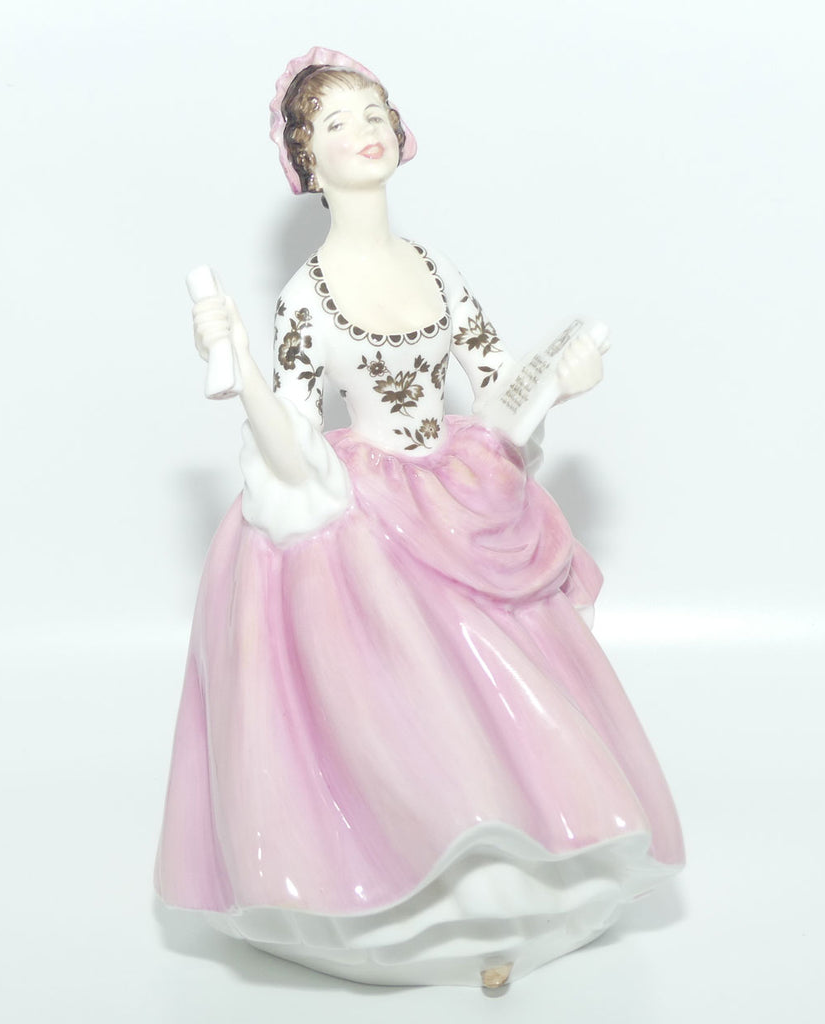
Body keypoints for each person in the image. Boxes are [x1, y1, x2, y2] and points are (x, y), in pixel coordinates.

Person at [155, 47, 684, 989]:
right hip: (366, 513)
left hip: (456, 488)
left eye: (374, 111)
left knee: (516, 691)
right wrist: (239, 369)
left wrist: (562, 379)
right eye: (335, 122)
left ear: (400, 133)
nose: (363, 130)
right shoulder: (306, 296)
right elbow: (291, 449)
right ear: (307, 162)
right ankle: (420, 880)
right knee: (405, 700)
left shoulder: (435, 267)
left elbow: (497, 387)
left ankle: (526, 869)